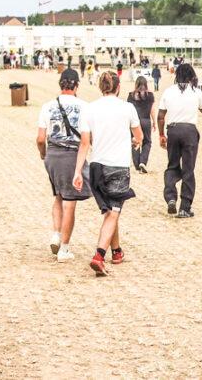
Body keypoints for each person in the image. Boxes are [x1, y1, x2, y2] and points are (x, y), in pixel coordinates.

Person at [72, 71, 142, 276]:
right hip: (118, 166)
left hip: (96, 167)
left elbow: (85, 143)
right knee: (113, 212)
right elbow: (139, 135)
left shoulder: (89, 109)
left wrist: (77, 172)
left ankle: (117, 251)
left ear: (101, 88)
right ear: (118, 87)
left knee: (111, 211)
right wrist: (136, 142)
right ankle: (99, 256)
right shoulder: (127, 108)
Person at [36, 68, 89, 262]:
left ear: (61, 84)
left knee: (58, 195)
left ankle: (56, 235)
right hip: (71, 155)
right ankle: (64, 249)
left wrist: (44, 155)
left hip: (52, 154)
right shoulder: (84, 106)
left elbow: (41, 138)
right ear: (76, 85)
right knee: (70, 203)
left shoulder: (47, 106)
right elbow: (86, 138)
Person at [157, 63, 202, 218]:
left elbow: (160, 116)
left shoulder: (168, 91)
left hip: (173, 130)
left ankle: (171, 197)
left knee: (172, 166)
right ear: (192, 76)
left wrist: (161, 135)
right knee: (188, 169)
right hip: (190, 131)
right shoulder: (196, 91)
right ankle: (185, 207)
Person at [127, 76, 156, 173]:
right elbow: (152, 110)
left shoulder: (131, 95)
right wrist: (155, 122)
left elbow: (129, 111)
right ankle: (143, 161)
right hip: (146, 121)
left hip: (135, 122)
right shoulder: (150, 95)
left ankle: (137, 164)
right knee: (147, 142)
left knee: (135, 141)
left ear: (136, 84)